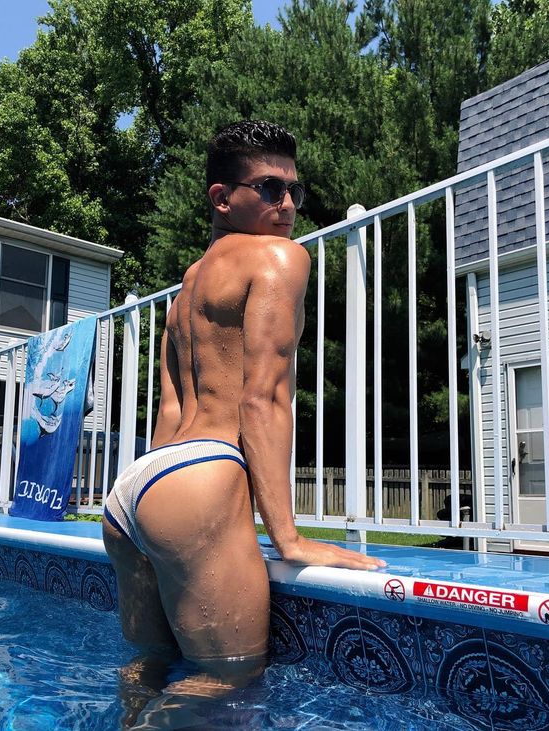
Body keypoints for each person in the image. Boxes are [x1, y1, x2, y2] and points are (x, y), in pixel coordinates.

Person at [102, 120, 386, 682]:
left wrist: (160, 506)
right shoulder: (278, 257)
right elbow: (264, 398)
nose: (288, 205)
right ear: (222, 198)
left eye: (294, 190)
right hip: (204, 476)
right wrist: (288, 538)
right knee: (229, 682)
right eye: (269, 188)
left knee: (149, 670)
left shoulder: (188, 286)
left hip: (136, 490)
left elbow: (170, 410)